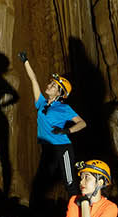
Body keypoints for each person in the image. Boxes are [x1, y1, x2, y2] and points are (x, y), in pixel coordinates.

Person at [22, 54, 84, 204]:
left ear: (60, 93)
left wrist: (67, 131)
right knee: (41, 182)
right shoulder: (41, 103)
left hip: (63, 148)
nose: (49, 86)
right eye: (50, 83)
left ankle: (78, 214)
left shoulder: (64, 108)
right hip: (48, 149)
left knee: (69, 181)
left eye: (54, 86)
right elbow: (33, 80)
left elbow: (82, 123)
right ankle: (37, 215)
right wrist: (25, 61)